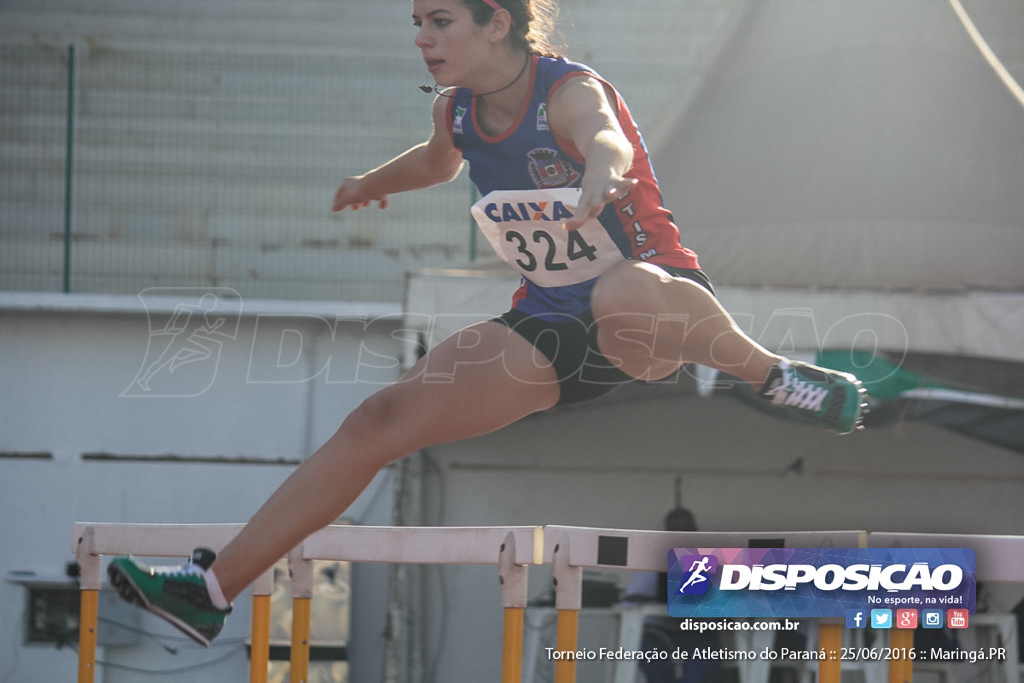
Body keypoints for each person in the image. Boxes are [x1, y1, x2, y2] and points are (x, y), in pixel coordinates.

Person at [106, 0, 867, 646]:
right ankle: (209, 590)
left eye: (439, 21)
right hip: (548, 323)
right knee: (379, 418)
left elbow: (603, 133)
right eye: (415, 22)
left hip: (651, 307)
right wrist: (371, 183)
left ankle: (773, 375)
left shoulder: (565, 91)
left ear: (496, 20)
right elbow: (439, 162)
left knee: (620, 292)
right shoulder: (458, 110)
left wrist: (605, 169)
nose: (422, 39)